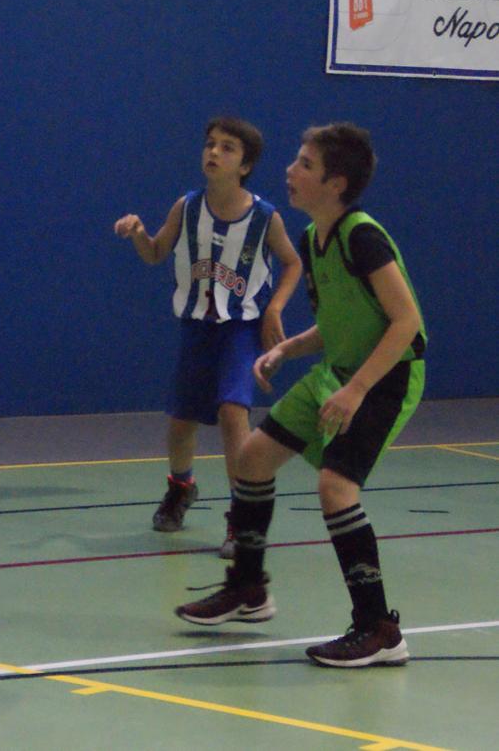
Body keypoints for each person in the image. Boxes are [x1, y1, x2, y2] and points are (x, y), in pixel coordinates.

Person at [174, 123, 425, 669]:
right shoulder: (314, 240)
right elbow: (341, 323)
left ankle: (379, 629)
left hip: (387, 376)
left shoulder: (363, 236)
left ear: (335, 184)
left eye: (305, 165)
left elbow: (405, 322)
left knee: (335, 488)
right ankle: (247, 588)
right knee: (252, 460)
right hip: (340, 369)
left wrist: (357, 390)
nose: (290, 170)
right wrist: (288, 349)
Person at [114, 118, 301, 557]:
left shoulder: (264, 217)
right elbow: (156, 254)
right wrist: (139, 233)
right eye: (210, 145)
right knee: (182, 421)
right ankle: (181, 488)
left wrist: (274, 307)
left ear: (246, 164)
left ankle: (242, 517)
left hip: (241, 328)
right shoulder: (187, 207)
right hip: (197, 326)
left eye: (228, 148)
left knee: (233, 413)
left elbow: (292, 263)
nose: (214, 153)